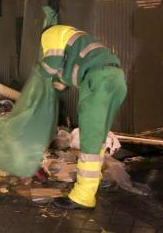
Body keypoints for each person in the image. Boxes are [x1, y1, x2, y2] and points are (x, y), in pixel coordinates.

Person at [37, 25, 127, 209]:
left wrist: (38, 75)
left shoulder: (50, 34)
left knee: (89, 139)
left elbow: (51, 65)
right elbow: (65, 74)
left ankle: (83, 196)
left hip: (98, 80)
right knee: (99, 136)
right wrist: (57, 83)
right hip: (116, 79)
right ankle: (94, 182)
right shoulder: (74, 38)